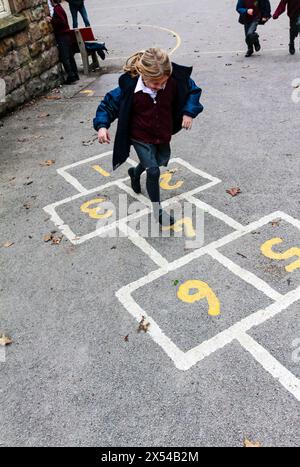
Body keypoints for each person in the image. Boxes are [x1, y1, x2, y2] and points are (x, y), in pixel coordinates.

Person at [93, 48, 203, 226]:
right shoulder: (129, 88)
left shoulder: (174, 80)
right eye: (155, 84)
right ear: (143, 74)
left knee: (159, 160)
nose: (159, 87)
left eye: (163, 83)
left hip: (162, 132)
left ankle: (134, 173)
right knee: (153, 170)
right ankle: (158, 211)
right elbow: (107, 105)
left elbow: (193, 91)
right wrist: (102, 125)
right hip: (139, 134)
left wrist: (188, 112)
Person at [47, 0, 79, 85]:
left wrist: (52, 20)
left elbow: (62, 22)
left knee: (65, 57)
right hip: (66, 35)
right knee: (70, 56)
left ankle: (71, 76)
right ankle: (75, 74)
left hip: (62, 36)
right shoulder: (59, 8)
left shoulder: (57, 9)